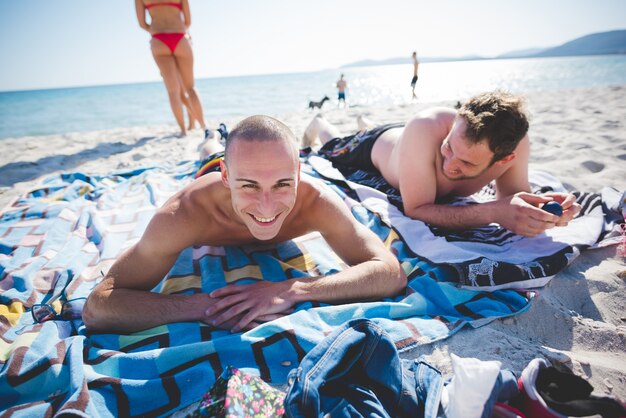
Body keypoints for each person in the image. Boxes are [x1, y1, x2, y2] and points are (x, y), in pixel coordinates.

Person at [83, 115, 406, 334]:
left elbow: (390, 272)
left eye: (281, 184)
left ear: (297, 173)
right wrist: (209, 307)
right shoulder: (185, 214)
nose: (266, 207)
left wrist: (292, 290)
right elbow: (99, 306)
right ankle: (210, 140)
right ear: (227, 177)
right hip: (209, 170)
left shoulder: (315, 200)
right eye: (249, 186)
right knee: (207, 154)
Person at [302, 90, 581, 237]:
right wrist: (492, 212)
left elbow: (511, 199)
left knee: (413, 143)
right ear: (455, 121)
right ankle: (322, 123)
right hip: (375, 146)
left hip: (408, 146)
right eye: (448, 148)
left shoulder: (516, 146)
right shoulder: (428, 126)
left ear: (504, 159)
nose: (449, 165)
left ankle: (365, 123)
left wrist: (546, 212)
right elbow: (417, 209)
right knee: (333, 146)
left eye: (466, 163)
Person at [135, 0, 215, 142]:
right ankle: (203, 127)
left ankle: (184, 131)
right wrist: (175, 30)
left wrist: (156, 30)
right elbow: (188, 21)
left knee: (173, 91)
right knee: (190, 87)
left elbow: (142, 24)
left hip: (158, 40)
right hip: (179, 37)